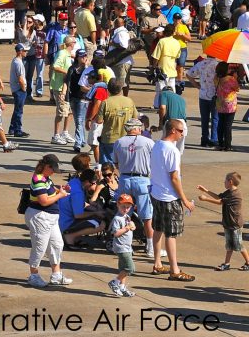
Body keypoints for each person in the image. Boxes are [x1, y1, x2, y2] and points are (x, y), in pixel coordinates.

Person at [149, 119, 195, 281]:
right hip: (169, 197)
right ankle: (174, 270)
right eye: (181, 131)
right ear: (173, 131)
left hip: (156, 193)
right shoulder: (172, 150)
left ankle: (157, 263)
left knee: (159, 229)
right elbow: (174, 177)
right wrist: (185, 200)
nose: (183, 134)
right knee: (171, 233)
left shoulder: (157, 145)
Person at [24, 154, 71, 287]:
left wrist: (60, 190)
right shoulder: (38, 179)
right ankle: (33, 275)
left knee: (57, 244)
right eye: (52, 169)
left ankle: (56, 275)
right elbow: (44, 201)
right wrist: (60, 195)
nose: (53, 172)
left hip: (51, 218)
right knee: (40, 247)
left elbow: (51, 190)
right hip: (40, 217)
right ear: (46, 166)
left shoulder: (46, 178)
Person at [114, 118, 157, 258]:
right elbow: (155, 161)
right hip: (142, 180)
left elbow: (116, 163)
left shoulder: (119, 142)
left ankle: (125, 246)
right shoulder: (149, 142)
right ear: (138, 128)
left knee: (125, 214)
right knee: (147, 215)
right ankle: (150, 248)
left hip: (125, 179)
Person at [197, 173, 248, 271]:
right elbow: (218, 197)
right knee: (229, 245)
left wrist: (205, 199)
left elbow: (220, 202)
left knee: (238, 245)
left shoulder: (235, 194)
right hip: (228, 223)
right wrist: (205, 190)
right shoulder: (229, 192)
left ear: (230, 182)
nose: (223, 182)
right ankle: (227, 264)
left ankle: (248, 262)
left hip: (235, 224)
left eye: (225, 180)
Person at [89, 79, 136, 165]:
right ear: (121, 89)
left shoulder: (106, 102)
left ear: (108, 89)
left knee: (107, 166)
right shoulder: (129, 101)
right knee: (124, 164)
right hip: (126, 139)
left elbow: (99, 121)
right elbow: (135, 118)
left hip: (109, 139)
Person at [59, 167, 105, 248]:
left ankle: (74, 236)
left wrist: (90, 206)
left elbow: (74, 203)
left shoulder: (74, 182)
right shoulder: (78, 193)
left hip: (61, 218)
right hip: (65, 224)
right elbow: (78, 215)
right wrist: (95, 213)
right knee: (101, 224)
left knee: (91, 212)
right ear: (87, 181)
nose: (93, 185)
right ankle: (70, 236)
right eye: (93, 183)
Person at [107, 194, 138, 297]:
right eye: (123, 206)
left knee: (123, 268)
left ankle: (122, 287)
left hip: (127, 246)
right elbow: (115, 233)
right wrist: (127, 228)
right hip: (121, 247)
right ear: (118, 205)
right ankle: (115, 282)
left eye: (128, 207)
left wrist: (132, 226)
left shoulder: (127, 216)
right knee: (130, 268)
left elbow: (129, 227)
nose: (125, 209)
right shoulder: (117, 218)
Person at [186, 55, 219, 147]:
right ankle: (213, 139)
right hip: (214, 95)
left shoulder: (201, 64)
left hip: (203, 94)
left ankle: (204, 139)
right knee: (215, 119)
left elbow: (189, 74)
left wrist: (196, 85)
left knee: (204, 119)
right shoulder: (217, 65)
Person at [215, 62, 239, 152]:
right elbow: (237, 88)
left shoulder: (216, 78)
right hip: (230, 105)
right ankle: (227, 145)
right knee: (228, 125)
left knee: (221, 124)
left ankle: (220, 144)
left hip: (220, 103)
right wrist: (235, 78)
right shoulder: (231, 79)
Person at [156, 85, 187, 153]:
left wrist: (161, 122)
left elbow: (162, 107)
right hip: (183, 125)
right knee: (178, 152)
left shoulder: (163, 94)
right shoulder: (181, 98)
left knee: (165, 148)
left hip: (172, 124)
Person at [8, 43, 29, 137]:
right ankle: (17, 130)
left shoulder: (15, 61)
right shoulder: (19, 63)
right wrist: (24, 89)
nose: (26, 52)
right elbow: (20, 78)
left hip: (16, 89)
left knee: (17, 109)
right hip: (19, 90)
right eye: (25, 51)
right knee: (19, 111)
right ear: (20, 51)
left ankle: (12, 128)